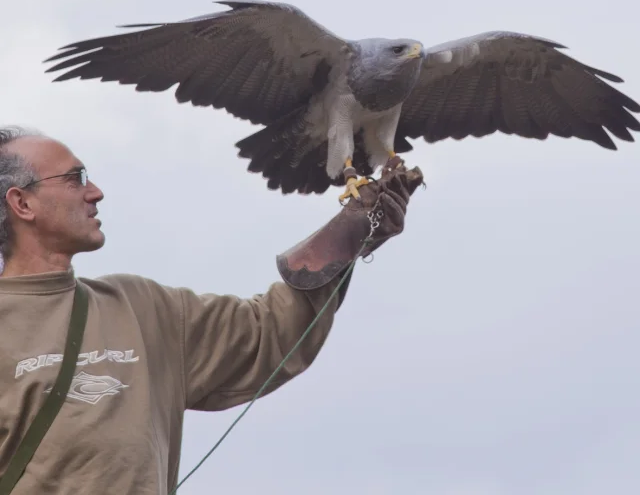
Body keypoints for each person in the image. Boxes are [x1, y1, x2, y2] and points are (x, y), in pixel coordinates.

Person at [0, 125, 422, 494]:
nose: (96, 191)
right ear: (22, 204)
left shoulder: (141, 309)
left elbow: (267, 330)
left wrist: (347, 237)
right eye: (76, 179)